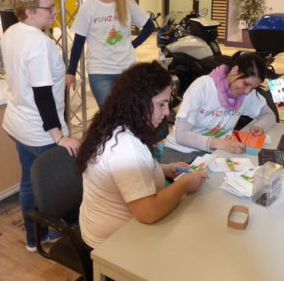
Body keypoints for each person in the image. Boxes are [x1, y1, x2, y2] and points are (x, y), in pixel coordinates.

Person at [77, 61, 207, 249]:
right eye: (161, 104)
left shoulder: (114, 124)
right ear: (138, 102)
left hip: (101, 227)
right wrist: (184, 184)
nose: (166, 112)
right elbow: (148, 212)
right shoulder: (126, 146)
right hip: (110, 245)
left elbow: (120, 172)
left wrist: (163, 169)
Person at [1, 0, 80, 252]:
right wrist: (59, 137)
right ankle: (60, 232)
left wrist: (61, 80)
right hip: (40, 131)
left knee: (28, 182)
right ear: (30, 10)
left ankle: (34, 239)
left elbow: (30, 79)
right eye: (49, 8)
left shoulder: (13, 32)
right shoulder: (38, 42)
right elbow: (42, 95)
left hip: (19, 124)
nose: (55, 11)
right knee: (60, 184)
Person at [66, 0, 154, 107]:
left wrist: (132, 45)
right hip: (100, 73)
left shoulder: (128, 3)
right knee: (111, 113)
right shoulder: (89, 6)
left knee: (129, 113)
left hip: (127, 70)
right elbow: (78, 42)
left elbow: (149, 26)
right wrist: (71, 72)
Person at [163, 52, 277, 163]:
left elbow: (269, 115)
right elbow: (182, 136)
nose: (247, 92)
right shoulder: (203, 87)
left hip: (215, 152)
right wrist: (221, 144)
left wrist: (260, 126)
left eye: (253, 88)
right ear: (235, 70)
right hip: (180, 152)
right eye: (246, 84)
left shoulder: (246, 94)